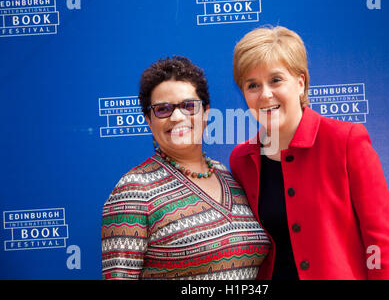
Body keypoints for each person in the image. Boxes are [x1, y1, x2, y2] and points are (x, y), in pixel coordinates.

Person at [229, 26, 389, 280]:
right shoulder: (242, 159)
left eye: (276, 80)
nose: (265, 94)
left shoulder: (345, 141)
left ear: (300, 83)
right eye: (252, 85)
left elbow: (380, 241)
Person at [101, 56, 270, 280]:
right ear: (149, 121)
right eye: (162, 109)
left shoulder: (227, 175)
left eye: (189, 106)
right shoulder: (134, 191)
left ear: (206, 112)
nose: (177, 116)